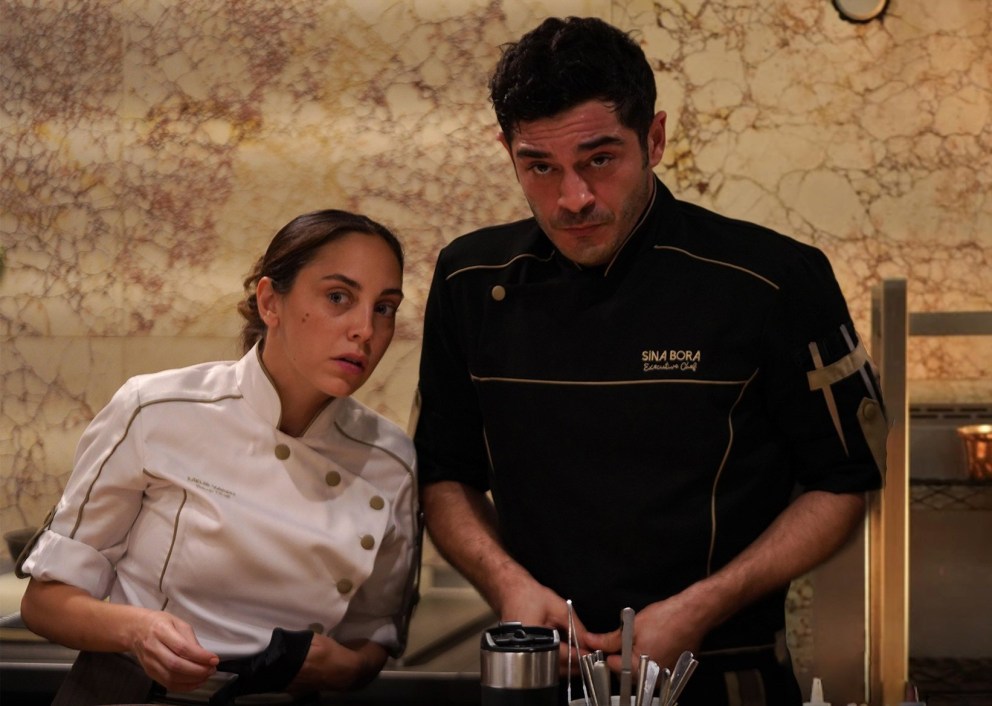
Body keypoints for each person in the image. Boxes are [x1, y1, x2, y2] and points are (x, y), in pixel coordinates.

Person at [413, 16, 886, 706]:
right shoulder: (469, 279)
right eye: (540, 167)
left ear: (655, 139)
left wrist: (702, 605)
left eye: (600, 159)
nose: (573, 198)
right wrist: (508, 586)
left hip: (727, 674)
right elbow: (445, 474)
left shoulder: (773, 280)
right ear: (507, 151)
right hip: (543, 678)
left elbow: (843, 481)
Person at [18, 209, 419, 705]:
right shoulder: (155, 409)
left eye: (385, 308)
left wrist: (350, 668)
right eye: (338, 297)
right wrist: (138, 630)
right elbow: (45, 604)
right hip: (130, 692)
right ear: (270, 302)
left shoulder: (391, 460)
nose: (365, 330)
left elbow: (373, 633)